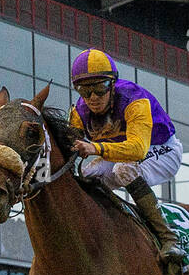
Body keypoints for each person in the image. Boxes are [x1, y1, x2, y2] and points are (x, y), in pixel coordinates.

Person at [68, 49, 183, 260]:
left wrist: (96, 148)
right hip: (117, 154)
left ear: (112, 84)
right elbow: (68, 147)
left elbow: (137, 149)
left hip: (161, 149)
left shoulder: (134, 100)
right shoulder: (78, 111)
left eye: (100, 88)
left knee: (124, 169)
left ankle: (169, 239)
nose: (93, 98)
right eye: (85, 90)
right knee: (84, 176)